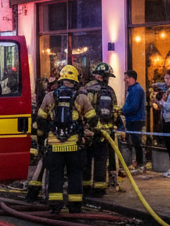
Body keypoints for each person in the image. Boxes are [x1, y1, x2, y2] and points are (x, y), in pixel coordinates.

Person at [35, 64, 98, 214]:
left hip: (54, 146)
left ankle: (55, 206)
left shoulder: (50, 96)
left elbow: (41, 119)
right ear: (75, 80)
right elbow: (93, 119)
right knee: (75, 175)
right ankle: (75, 206)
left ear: (61, 79)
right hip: (74, 146)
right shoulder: (81, 97)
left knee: (55, 175)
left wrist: (47, 135)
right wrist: (88, 132)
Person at [84, 63, 120, 197]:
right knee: (100, 160)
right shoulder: (108, 91)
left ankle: (85, 187)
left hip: (87, 132)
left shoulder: (85, 89)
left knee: (86, 160)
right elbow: (112, 112)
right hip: (103, 132)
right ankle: (99, 189)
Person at [121, 70, 146, 174]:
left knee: (137, 142)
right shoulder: (132, 89)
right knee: (134, 142)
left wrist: (122, 110)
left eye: (126, 78)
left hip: (136, 119)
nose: (125, 80)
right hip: (132, 119)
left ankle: (140, 164)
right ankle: (136, 162)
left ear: (131, 78)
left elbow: (134, 106)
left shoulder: (136, 90)